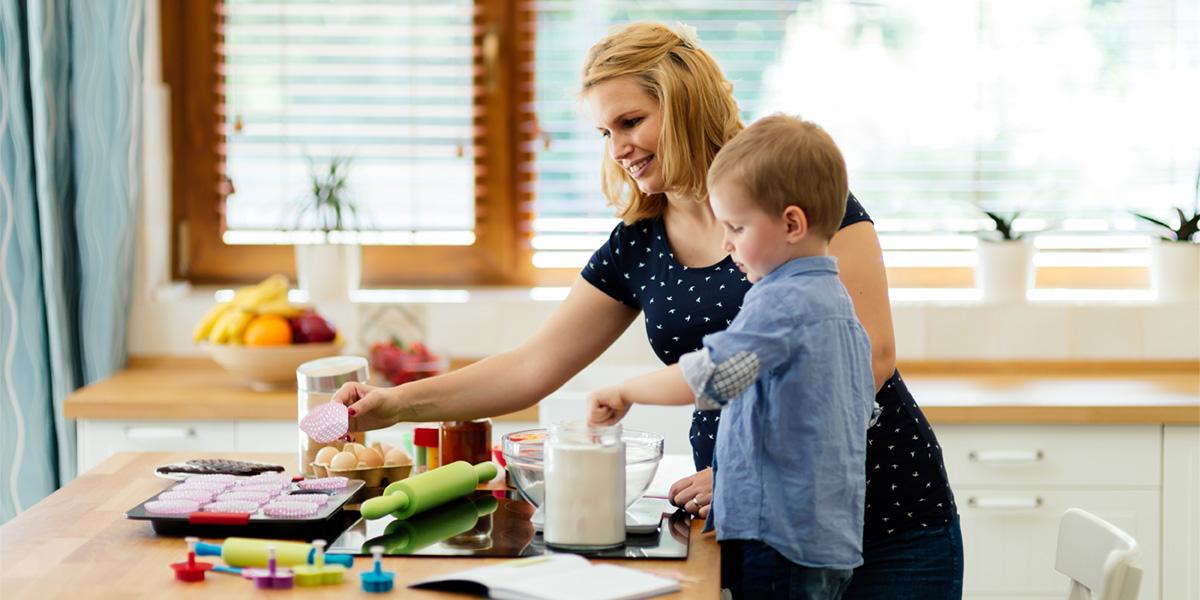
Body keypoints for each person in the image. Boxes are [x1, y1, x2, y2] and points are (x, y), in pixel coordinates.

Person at [332, 22, 962, 599]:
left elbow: (868, 356)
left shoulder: (793, 198)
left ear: (685, 102)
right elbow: (531, 367)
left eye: (631, 121)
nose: (619, 149)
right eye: (606, 133)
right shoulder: (639, 242)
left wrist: (749, 471)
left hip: (890, 515)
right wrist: (396, 403)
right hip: (747, 527)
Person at [587, 114, 876, 599]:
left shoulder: (778, 302)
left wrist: (625, 390)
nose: (726, 244)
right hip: (828, 538)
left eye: (737, 228)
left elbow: (710, 377)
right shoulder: (836, 303)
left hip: (778, 540)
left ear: (791, 224)